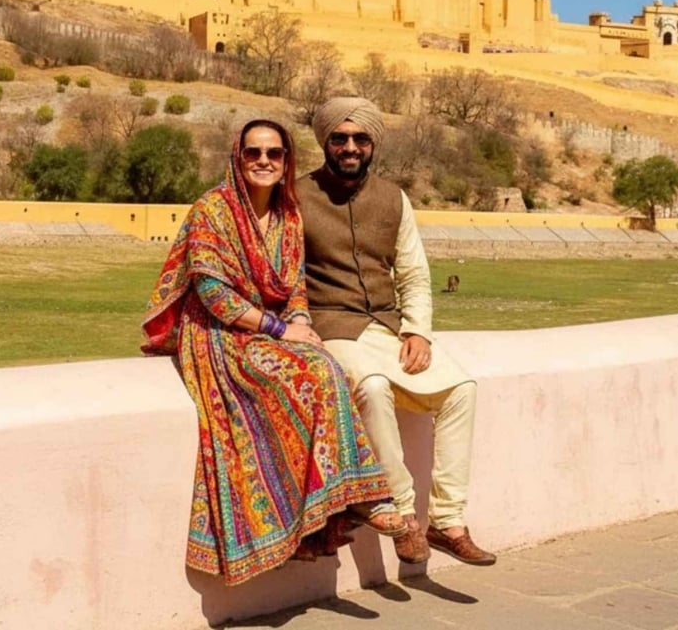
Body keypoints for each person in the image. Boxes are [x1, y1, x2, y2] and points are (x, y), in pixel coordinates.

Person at [142, 118, 406, 586]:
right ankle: (359, 499)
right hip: (218, 333)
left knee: (327, 367)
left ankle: (339, 504)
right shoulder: (213, 211)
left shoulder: (288, 216)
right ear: (237, 157)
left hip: (272, 329)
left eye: (274, 154)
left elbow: (295, 287)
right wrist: (281, 329)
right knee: (311, 375)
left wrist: (300, 320)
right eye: (254, 153)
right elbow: (213, 294)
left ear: (287, 162)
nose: (264, 161)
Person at [296, 97, 497, 567]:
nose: (350, 147)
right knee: (371, 386)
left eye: (360, 139)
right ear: (325, 141)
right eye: (340, 139)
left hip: (387, 327)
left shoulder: (394, 198)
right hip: (332, 326)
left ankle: (446, 522)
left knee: (461, 389)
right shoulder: (298, 196)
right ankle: (402, 514)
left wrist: (419, 332)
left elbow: (413, 274)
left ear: (372, 145)